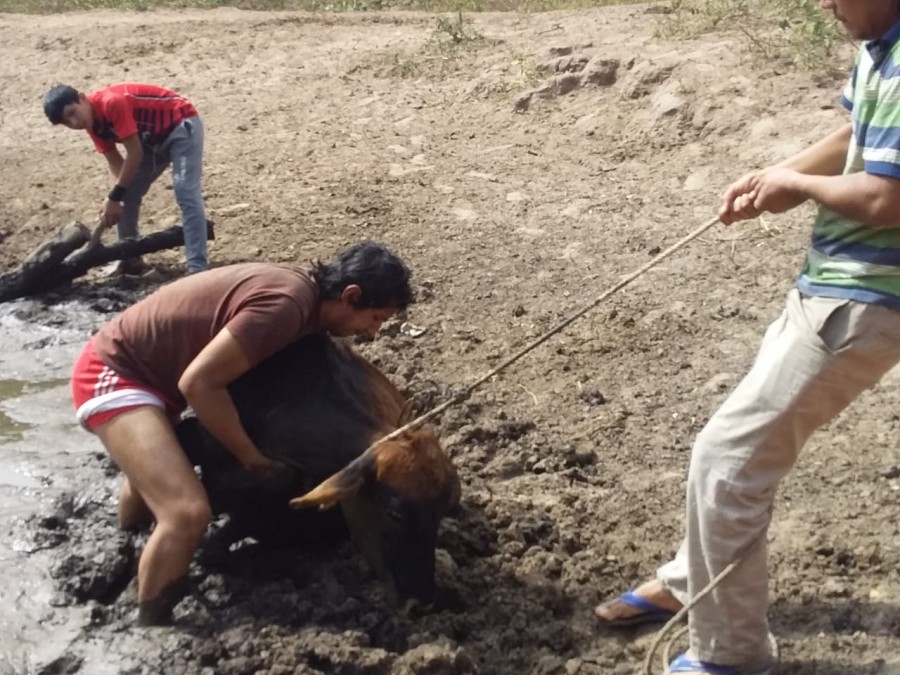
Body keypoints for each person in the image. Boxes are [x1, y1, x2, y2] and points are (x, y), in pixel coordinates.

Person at [594, 1, 900, 673]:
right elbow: (857, 131)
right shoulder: (881, 40)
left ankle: (730, 657)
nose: (825, 3)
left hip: (864, 300)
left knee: (726, 464)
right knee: (737, 444)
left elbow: (886, 198)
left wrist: (798, 183)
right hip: (832, 286)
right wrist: (778, 177)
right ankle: (688, 577)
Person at [70, 241, 414, 625]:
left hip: (149, 375)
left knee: (160, 475)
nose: (373, 332)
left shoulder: (303, 298)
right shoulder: (285, 307)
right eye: (376, 318)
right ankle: (151, 628)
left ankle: (130, 540)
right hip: (114, 374)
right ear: (351, 296)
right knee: (186, 513)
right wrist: (250, 456)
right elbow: (199, 384)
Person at [43, 82, 209, 276]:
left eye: (72, 113)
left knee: (185, 192)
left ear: (82, 98)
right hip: (151, 140)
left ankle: (197, 267)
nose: (74, 123)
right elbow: (115, 162)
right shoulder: (92, 125)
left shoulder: (111, 103)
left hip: (180, 127)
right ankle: (130, 260)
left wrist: (115, 196)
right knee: (126, 195)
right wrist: (115, 198)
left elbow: (135, 153)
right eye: (66, 122)